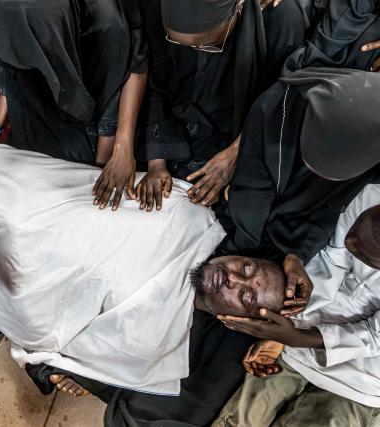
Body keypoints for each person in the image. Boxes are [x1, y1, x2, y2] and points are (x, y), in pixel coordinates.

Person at [0, 130, 308, 394]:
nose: (236, 277)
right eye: (249, 269)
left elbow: (54, 332)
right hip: (29, 192)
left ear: (234, 319)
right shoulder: (198, 216)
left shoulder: (159, 337)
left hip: (14, 259)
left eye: (245, 295)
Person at [0, 0, 148, 211]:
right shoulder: (7, 12)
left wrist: (116, 153)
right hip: (32, 111)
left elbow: (125, 73)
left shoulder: (106, 19)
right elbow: (11, 65)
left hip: (90, 125)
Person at [213, 184, 380, 426]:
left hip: (359, 382)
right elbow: (333, 260)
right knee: (237, 421)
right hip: (300, 347)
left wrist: (296, 336)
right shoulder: (373, 193)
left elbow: (375, 336)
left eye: (363, 250)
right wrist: (288, 327)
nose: (350, 242)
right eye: (356, 231)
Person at [135, 0, 309, 210]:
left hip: (244, 130)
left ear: (240, 6)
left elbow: (278, 102)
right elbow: (158, 82)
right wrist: (157, 161)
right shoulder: (159, 9)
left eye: (210, 45)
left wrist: (235, 154)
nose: (198, 52)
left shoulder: (282, 20)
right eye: (182, 44)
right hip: (174, 126)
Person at [218, 68, 380, 276]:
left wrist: (295, 253)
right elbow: (253, 191)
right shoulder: (279, 108)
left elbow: (329, 205)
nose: (349, 241)